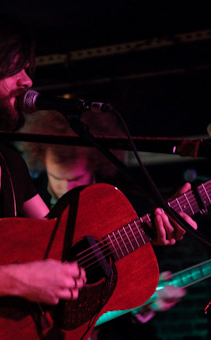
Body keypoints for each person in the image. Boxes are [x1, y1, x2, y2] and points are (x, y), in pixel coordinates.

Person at [0, 6, 195, 340]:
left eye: (26, 68)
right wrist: (22, 280)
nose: (27, 80)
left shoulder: (10, 163)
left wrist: (148, 230)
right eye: (12, 67)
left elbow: (63, 247)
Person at [18, 110, 192, 339]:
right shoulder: (25, 204)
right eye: (57, 178)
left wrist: (145, 303)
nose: (66, 188)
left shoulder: (126, 209)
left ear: (93, 166)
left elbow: (129, 293)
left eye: (75, 179)